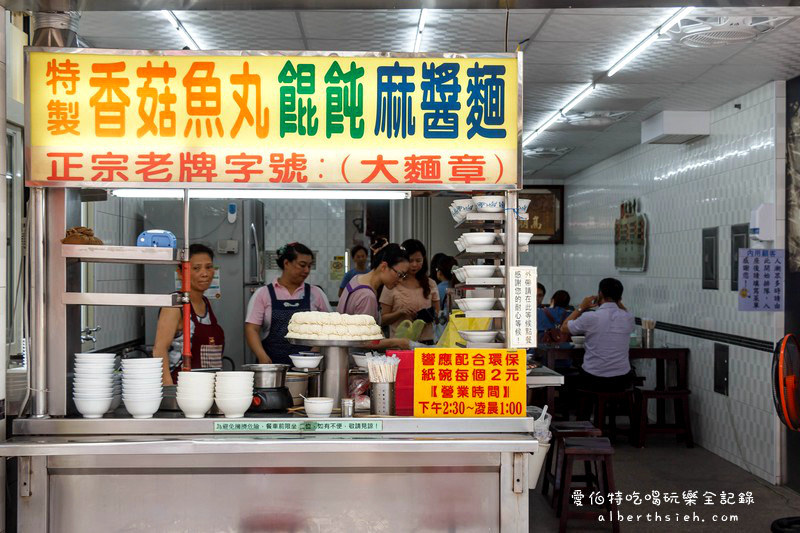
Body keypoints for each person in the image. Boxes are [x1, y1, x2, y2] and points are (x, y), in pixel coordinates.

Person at [245, 242, 330, 365]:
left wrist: (316, 350)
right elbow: (251, 329)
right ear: (286, 263)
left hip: (309, 365)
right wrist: (262, 357)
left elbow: (330, 326)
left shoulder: (316, 293)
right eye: (302, 265)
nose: (307, 270)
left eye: (309, 266)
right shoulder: (263, 294)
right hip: (273, 365)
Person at [152, 244, 224, 385]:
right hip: (181, 389)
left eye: (209, 267)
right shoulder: (176, 305)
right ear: (181, 273)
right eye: (196, 268)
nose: (205, 273)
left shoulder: (205, 303)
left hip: (206, 388)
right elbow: (159, 349)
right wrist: (168, 389)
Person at [560, 278, 635, 392]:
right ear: (620, 298)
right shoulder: (628, 318)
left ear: (600, 294)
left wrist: (581, 307)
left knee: (570, 378)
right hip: (621, 379)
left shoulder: (590, 317)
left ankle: (584, 409)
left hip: (593, 377)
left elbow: (564, 328)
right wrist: (617, 302)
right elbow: (624, 310)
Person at [338, 243, 412, 350]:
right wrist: (396, 342)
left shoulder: (357, 279)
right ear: (383, 267)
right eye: (400, 274)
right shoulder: (367, 296)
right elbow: (364, 342)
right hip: (355, 359)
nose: (400, 280)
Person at [380, 239, 440, 343]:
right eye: (410, 260)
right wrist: (400, 313)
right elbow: (383, 319)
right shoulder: (393, 283)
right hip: (400, 344)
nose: (414, 265)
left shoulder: (431, 283)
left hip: (427, 342)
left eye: (418, 260)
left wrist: (429, 315)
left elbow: (438, 314)